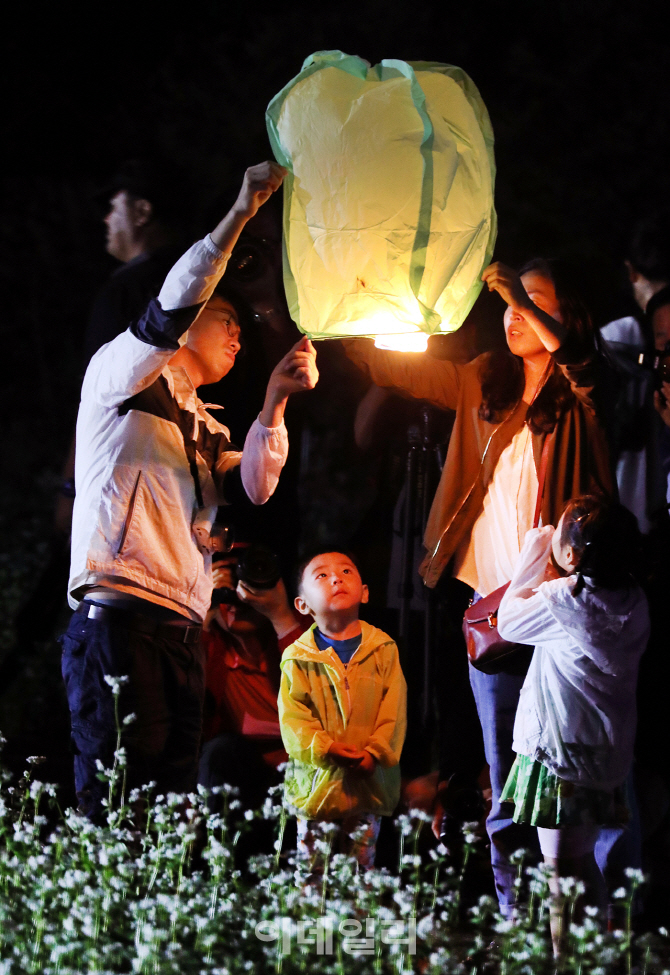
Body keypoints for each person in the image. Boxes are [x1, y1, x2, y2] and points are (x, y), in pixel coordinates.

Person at [343, 258, 613, 913]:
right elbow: (398, 369)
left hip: (560, 611)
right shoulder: (480, 380)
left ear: (562, 313)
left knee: (566, 770)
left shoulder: (581, 391)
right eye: (511, 303)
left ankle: (584, 916)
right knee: (502, 770)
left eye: (533, 300)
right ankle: (514, 911)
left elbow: (576, 354)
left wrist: (509, 284)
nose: (515, 311)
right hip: (491, 614)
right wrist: (357, 311)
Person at [61, 161, 319, 820]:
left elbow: (256, 487)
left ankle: (152, 924)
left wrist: (275, 405)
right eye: (224, 318)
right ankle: (106, 922)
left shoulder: (204, 426)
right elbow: (174, 300)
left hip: (182, 631)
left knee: (169, 807)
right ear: (187, 328)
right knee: (119, 804)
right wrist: (239, 213)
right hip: (119, 619)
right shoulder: (121, 375)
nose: (237, 334)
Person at [497, 497, 649, 953]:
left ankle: (572, 960)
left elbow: (507, 622)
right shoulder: (634, 599)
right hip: (605, 753)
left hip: (560, 755)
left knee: (565, 871)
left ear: (571, 554)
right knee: (581, 863)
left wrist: (532, 553)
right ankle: (590, 952)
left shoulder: (566, 600)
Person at [278, 550, 407, 869]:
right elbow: (293, 718)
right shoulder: (297, 657)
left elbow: (395, 711)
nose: (336, 577)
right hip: (316, 786)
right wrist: (325, 748)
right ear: (302, 604)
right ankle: (311, 919)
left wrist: (375, 753)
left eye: (347, 571)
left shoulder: (383, 649)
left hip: (368, 783)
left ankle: (357, 920)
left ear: (364, 591)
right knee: (312, 868)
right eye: (321, 575)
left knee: (361, 867)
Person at [199, 549, 308, 808]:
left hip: (300, 764)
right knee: (220, 751)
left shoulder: (301, 631)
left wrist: (281, 615)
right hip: (238, 769)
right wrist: (204, 608)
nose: (238, 601)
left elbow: (320, 689)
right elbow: (186, 703)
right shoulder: (210, 645)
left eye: (249, 589)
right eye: (230, 592)